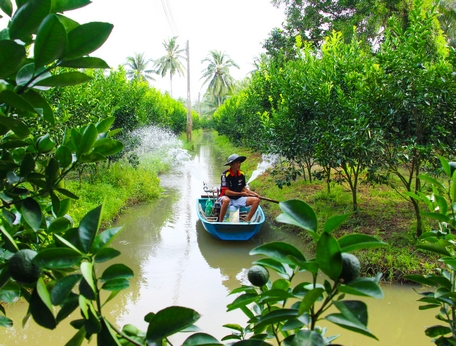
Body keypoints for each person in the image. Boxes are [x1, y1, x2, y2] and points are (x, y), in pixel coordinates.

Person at [218, 154, 260, 222]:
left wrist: (254, 193)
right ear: (231, 164)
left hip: (238, 199)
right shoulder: (225, 174)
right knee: (226, 200)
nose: (239, 164)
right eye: (237, 163)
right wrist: (241, 194)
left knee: (256, 200)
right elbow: (226, 192)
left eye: (239, 162)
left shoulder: (241, 174)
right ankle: (220, 221)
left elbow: (243, 188)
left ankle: (247, 221)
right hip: (225, 198)